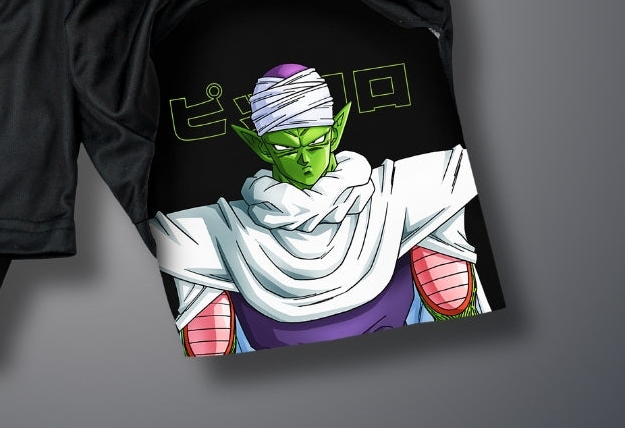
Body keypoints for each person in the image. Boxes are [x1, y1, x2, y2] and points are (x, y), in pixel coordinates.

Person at [149, 63, 491, 355]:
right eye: (286, 148)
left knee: (447, 282)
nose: (304, 160)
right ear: (260, 146)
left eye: (315, 143)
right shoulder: (213, 232)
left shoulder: (399, 193)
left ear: (335, 131)